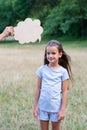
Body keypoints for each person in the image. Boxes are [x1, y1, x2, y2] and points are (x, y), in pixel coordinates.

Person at [33, 40, 72, 130]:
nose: (50, 56)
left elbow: (65, 91)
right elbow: (38, 88)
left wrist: (62, 109)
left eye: (53, 53)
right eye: (48, 53)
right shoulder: (42, 70)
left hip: (56, 108)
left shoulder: (63, 71)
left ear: (60, 54)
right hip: (43, 107)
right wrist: (35, 106)